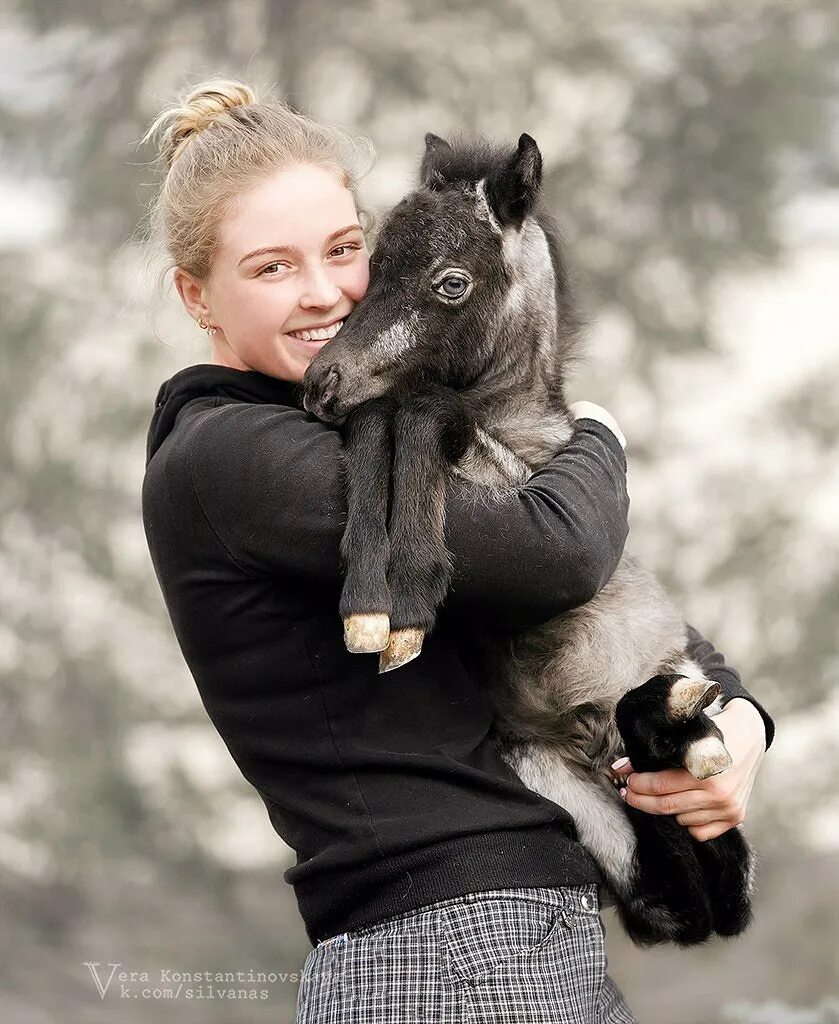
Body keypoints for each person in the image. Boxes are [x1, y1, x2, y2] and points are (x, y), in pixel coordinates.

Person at [140, 79, 774, 1024]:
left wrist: (741, 725)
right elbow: (557, 555)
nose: (325, 294)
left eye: (344, 250)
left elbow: (598, 604)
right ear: (197, 295)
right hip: (452, 950)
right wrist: (598, 431)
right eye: (271, 268)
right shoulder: (233, 458)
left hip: (508, 937)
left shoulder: (374, 422)